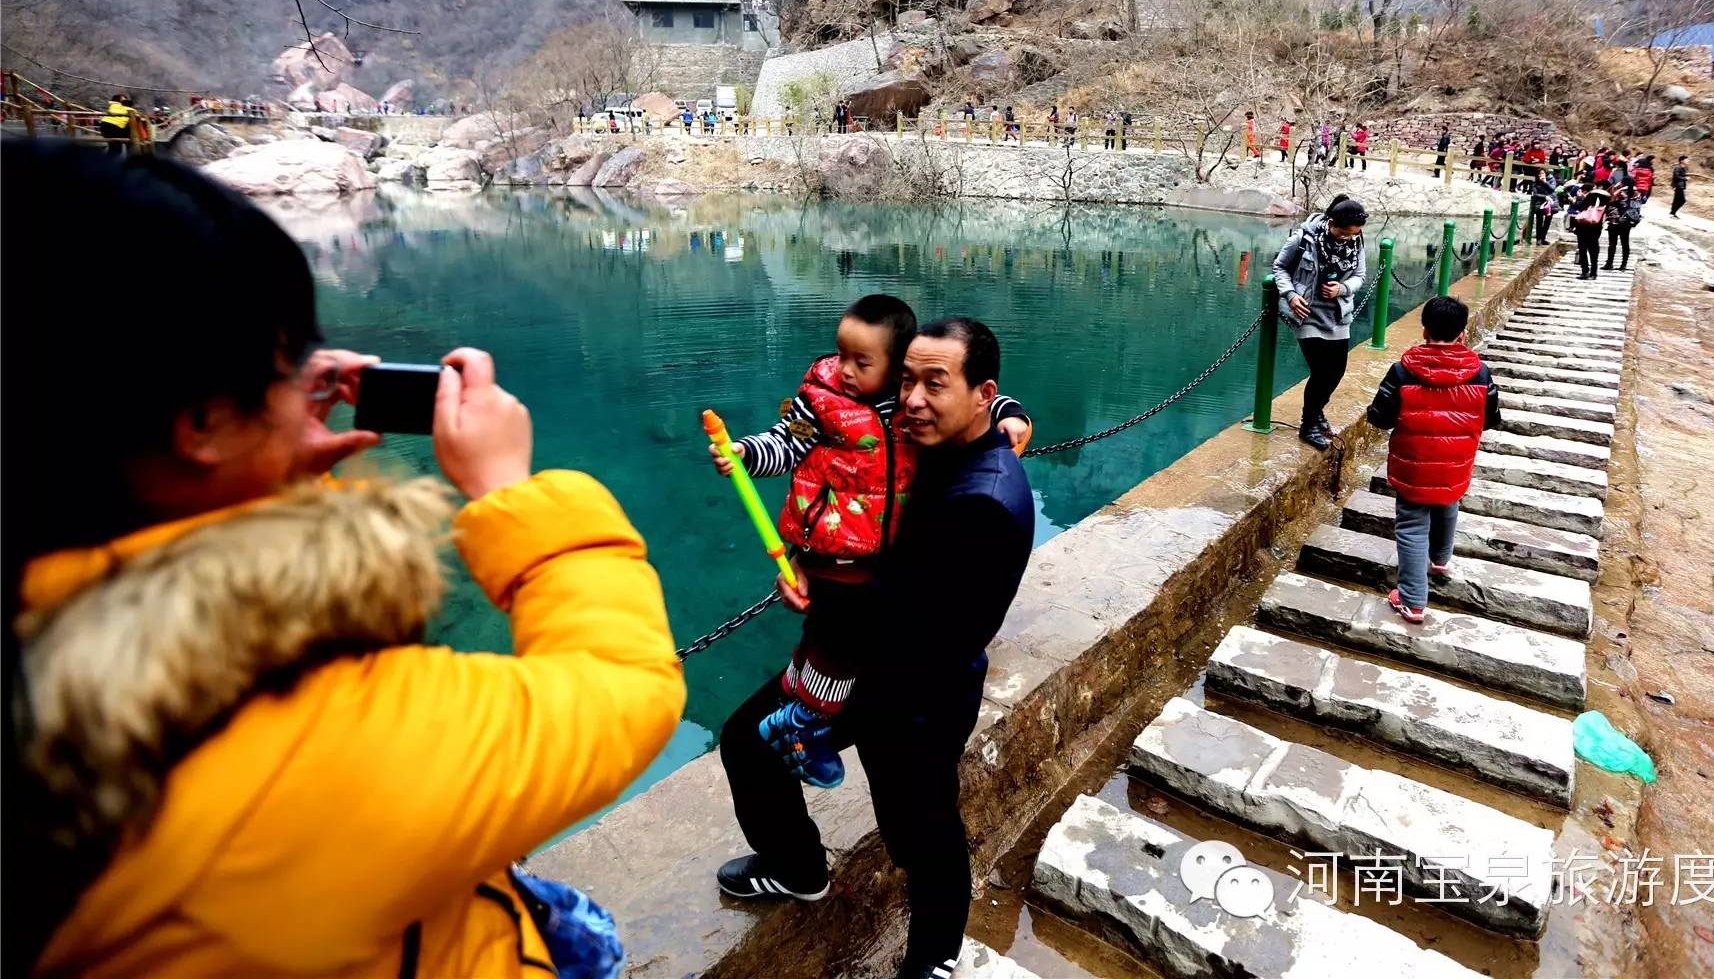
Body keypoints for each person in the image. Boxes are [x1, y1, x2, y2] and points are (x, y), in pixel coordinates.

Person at [2, 141, 685, 978]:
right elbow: (624, 689)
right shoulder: (322, 748)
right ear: (203, 424)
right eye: (287, 359)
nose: (309, 378)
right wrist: (509, 488)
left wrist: (265, 469)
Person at [715, 319, 1035, 979]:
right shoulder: (929, 436)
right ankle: (797, 867)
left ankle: (933, 962)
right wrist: (811, 562)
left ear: (980, 393)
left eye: (934, 384)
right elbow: (829, 428)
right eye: (908, 379)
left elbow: (929, 632)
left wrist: (831, 703)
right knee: (748, 741)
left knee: (920, 835)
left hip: (913, 689)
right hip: (858, 649)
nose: (912, 397)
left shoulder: (983, 503)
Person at [709, 297, 1029, 788]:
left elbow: (966, 381)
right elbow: (787, 440)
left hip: (911, 665)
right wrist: (746, 455)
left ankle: (804, 722)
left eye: (864, 362)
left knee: (837, 650)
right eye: (842, 356)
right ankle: (802, 723)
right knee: (826, 647)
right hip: (838, 555)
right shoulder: (825, 400)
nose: (847, 370)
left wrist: (1011, 411)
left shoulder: (924, 428)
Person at [1364, 295, 1501, 625]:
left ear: (1424, 331)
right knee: (1448, 503)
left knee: (1412, 525)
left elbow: (1380, 418)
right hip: (1456, 461)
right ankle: (1440, 560)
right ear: (1462, 334)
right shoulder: (1481, 374)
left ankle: (1412, 601)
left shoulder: (1402, 371)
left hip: (1413, 462)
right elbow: (1492, 417)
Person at [1272, 196, 1370, 451]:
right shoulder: (1303, 239)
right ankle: (1308, 424)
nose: (1347, 238)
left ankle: (1316, 413)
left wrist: (1343, 288)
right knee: (1321, 372)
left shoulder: (1356, 241)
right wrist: (1291, 295)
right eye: (1343, 233)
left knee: (1336, 372)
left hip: (1338, 314)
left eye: (1352, 234)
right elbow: (1279, 267)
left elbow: (1360, 275)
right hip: (1307, 313)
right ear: (1331, 223)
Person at [1568, 182, 1608, 279]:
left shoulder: (1591, 195)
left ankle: (1585, 271)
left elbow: (1581, 207)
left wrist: (1574, 200)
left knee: (1583, 248)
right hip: (1596, 226)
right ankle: (1594, 272)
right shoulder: (1606, 197)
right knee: (1594, 248)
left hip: (1584, 226)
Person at [1603, 182, 1641, 271]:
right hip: (1625, 224)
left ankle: (1610, 263)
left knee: (1613, 244)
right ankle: (1623, 265)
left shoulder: (1620, 193)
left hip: (1615, 222)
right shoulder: (1636, 196)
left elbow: (1610, 200)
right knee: (1624, 244)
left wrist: (1618, 189)